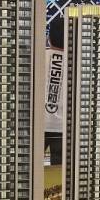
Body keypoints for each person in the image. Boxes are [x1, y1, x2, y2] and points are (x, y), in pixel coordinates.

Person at [44, 18, 65, 165]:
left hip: (37, 125)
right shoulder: (77, 62)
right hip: (63, 127)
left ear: (49, 37)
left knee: (29, 170)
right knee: (60, 172)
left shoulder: (38, 57)